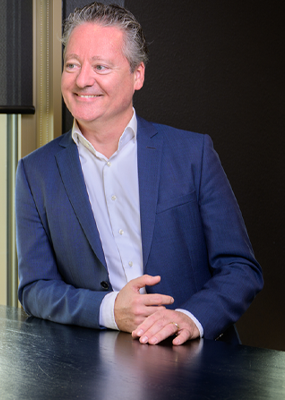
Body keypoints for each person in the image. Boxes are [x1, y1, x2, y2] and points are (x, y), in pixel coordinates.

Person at [16, 3, 264, 346]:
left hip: (198, 364)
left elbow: (240, 269)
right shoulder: (34, 172)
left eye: (100, 66)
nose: (82, 79)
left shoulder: (193, 154)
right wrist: (109, 310)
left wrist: (189, 320)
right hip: (93, 371)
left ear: (138, 75)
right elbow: (35, 289)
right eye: (72, 65)